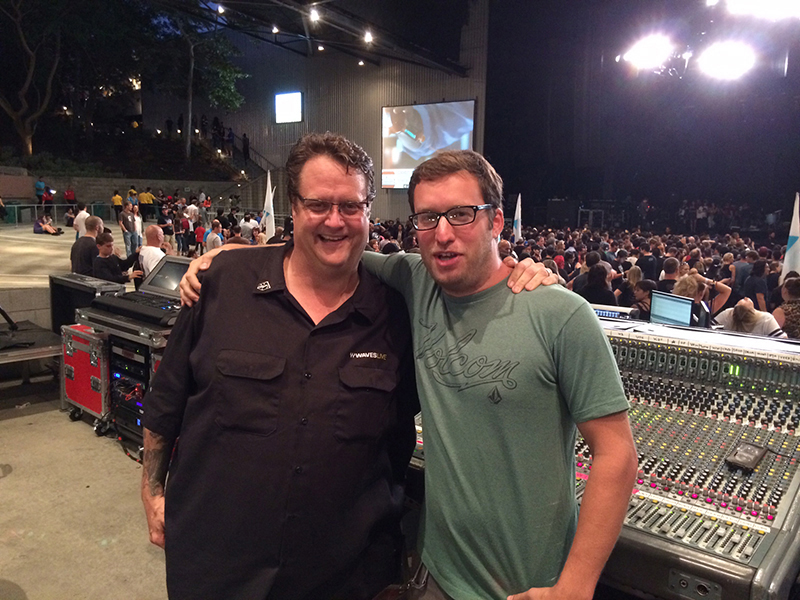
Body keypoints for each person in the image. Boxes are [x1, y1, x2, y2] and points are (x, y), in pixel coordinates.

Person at [182, 148, 634, 600]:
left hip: (530, 586)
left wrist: (575, 585)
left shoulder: (562, 314)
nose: (442, 234)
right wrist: (231, 255)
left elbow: (616, 454)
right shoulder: (416, 281)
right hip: (435, 576)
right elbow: (321, 249)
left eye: (461, 214)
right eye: (426, 218)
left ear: (496, 222)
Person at [142, 133, 423, 600]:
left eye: (351, 206)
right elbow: (167, 400)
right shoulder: (221, 284)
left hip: (344, 575)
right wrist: (152, 492)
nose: (336, 221)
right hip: (217, 567)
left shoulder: (396, 314)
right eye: (319, 204)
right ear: (294, 207)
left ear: (368, 210)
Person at [715, 298, 786, 338]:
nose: (745, 298)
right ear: (752, 311)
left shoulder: (728, 314)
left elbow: (709, 328)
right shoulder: (766, 319)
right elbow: (783, 338)